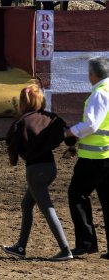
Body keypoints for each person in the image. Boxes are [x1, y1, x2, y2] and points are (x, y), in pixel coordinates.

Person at [3, 84, 74, 261]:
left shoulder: (22, 122)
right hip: (50, 168)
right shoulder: (51, 117)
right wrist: (71, 148)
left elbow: (12, 146)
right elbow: (68, 134)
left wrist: (13, 160)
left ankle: (65, 249)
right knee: (27, 204)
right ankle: (20, 247)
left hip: (35, 171)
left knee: (47, 209)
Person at [65, 56, 109, 259]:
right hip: (106, 155)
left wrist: (70, 133)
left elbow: (91, 125)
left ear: (93, 74)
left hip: (94, 158)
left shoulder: (99, 94)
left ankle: (86, 242)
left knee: (77, 195)